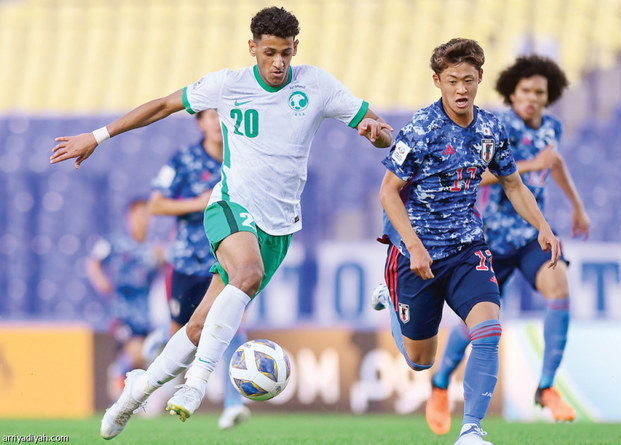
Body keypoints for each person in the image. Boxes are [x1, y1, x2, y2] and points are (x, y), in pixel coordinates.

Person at [51, 6, 392, 440]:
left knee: (198, 327)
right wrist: (97, 137)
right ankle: (196, 384)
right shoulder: (228, 85)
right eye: (268, 52)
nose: (278, 63)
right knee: (246, 273)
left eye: (286, 53)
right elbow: (162, 105)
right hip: (231, 204)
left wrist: (375, 133)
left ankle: (134, 394)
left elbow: (377, 126)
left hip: (279, 226)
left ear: (296, 49)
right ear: (252, 48)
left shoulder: (317, 85)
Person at [370, 39, 560, 445]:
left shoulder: (491, 128)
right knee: (421, 361)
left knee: (489, 329)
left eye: (468, 80)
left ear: (480, 80)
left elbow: (513, 183)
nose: (461, 89)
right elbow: (388, 192)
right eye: (452, 80)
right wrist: (414, 246)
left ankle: (471, 430)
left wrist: (542, 225)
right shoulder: (420, 129)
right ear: (437, 81)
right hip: (416, 255)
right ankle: (391, 299)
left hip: (468, 248)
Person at [423, 54, 590, 435]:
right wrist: (529, 166)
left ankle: (546, 386)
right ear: (511, 94)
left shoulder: (552, 127)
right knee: (477, 323)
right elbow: (476, 177)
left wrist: (577, 206)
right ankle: (439, 383)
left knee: (560, 286)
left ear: (548, 97)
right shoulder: (496, 129)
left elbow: (556, 162)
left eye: (539, 92)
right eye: (525, 91)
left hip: (531, 237)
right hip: (491, 239)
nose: (532, 98)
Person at [149, 108, 250, 430]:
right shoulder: (184, 159)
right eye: (210, 116)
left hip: (226, 258)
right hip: (186, 261)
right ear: (199, 123)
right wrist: (200, 202)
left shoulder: (243, 156)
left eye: (223, 116)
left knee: (232, 324)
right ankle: (155, 382)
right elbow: (156, 203)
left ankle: (233, 405)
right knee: (182, 334)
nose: (217, 123)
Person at [85, 198, 165, 401]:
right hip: (122, 311)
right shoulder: (114, 242)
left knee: (143, 358)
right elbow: (93, 262)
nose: (142, 220)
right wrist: (101, 281)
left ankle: (128, 394)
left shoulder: (153, 247)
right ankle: (117, 374)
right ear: (128, 218)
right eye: (138, 215)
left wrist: (162, 259)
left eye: (146, 215)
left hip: (145, 314)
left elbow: (162, 269)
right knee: (136, 351)